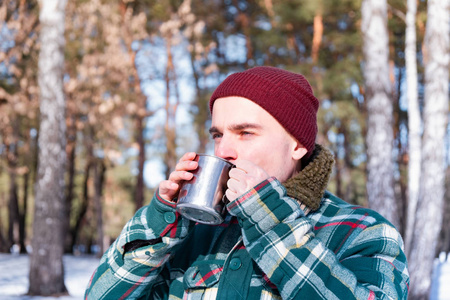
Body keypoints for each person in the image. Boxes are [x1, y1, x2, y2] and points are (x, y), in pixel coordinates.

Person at [85, 66, 409, 299]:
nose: (223, 150)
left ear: (298, 145)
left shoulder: (363, 231)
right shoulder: (194, 234)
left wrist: (270, 222)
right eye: (217, 135)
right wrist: (160, 223)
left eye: (245, 132)